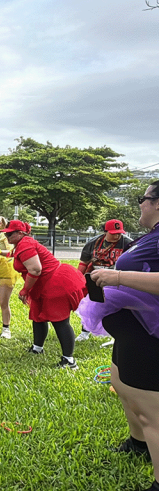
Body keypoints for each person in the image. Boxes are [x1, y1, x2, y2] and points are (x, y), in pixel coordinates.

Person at [78, 182, 159, 491]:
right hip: (132, 331)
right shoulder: (149, 236)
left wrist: (118, 276)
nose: (140, 204)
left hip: (151, 338)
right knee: (123, 386)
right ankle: (138, 444)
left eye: (144, 199)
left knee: (153, 413)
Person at [2, 220, 85, 368]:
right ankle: (37, 348)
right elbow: (18, 258)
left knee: (59, 321)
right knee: (38, 316)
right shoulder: (22, 243)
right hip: (44, 283)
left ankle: (69, 361)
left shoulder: (25, 244)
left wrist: (25, 290)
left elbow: (35, 269)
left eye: (10, 233)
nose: (6, 236)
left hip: (54, 283)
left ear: (20, 233)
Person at [74, 218, 131, 342]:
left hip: (117, 279)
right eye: (113, 233)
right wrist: (77, 279)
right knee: (92, 303)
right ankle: (85, 332)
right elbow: (84, 262)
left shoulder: (128, 243)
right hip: (96, 277)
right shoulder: (93, 243)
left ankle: (115, 335)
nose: (117, 236)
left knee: (117, 307)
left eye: (119, 233)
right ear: (106, 232)